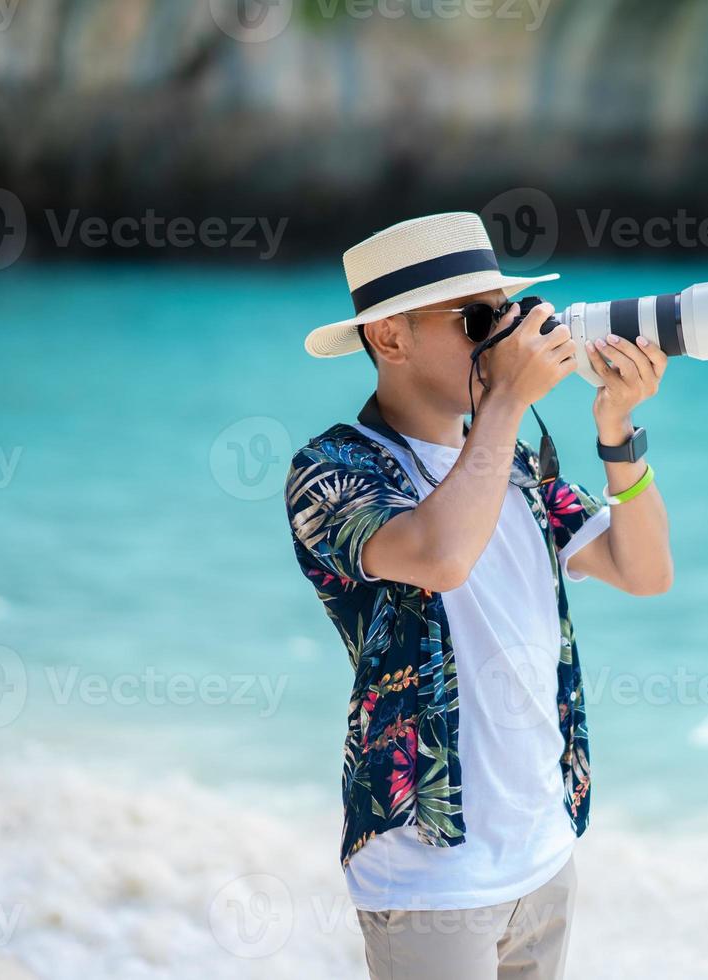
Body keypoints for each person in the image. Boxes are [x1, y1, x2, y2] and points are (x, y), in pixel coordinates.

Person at [285, 212, 673, 979]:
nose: (503, 339)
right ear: (389, 339)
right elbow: (442, 555)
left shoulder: (517, 465)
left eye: (506, 314)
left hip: (542, 851)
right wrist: (502, 401)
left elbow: (644, 570)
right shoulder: (332, 470)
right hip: (430, 868)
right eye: (476, 319)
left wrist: (617, 429)